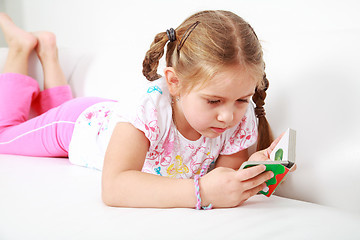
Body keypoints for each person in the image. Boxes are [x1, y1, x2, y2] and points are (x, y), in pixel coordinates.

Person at [0, 10, 284, 209]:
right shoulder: (148, 109)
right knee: (4, 136)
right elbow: (114, 187)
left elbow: (221, 181)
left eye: (241, 100)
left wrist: (246, 177)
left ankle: (49, 53)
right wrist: (200, 192)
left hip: (116, 122)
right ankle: (19, 48)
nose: (228, 116)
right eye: (213, 101)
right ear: (174, 82)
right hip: (78, 125)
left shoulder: (237, 114)